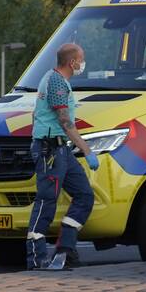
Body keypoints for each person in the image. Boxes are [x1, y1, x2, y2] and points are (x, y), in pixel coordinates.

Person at [26, 43, 99, 270]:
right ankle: (36, 257)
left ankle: (65, 249)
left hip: (60, 150)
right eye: (81, 59)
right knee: (46, 200)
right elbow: (65, 122)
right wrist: (87, 151)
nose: (83, 63)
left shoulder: (53, 79)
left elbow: (36, 114)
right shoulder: (56, 81)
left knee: (84, 195)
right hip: (51, 150)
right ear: (72, 62)